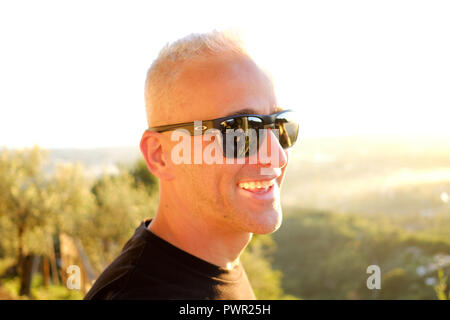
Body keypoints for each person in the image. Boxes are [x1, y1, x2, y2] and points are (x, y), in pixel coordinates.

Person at [84, 30, 299, 300]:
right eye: (240, 131)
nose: (278, 156)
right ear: (160, 154)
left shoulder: (215, 262)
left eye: (280, 125)